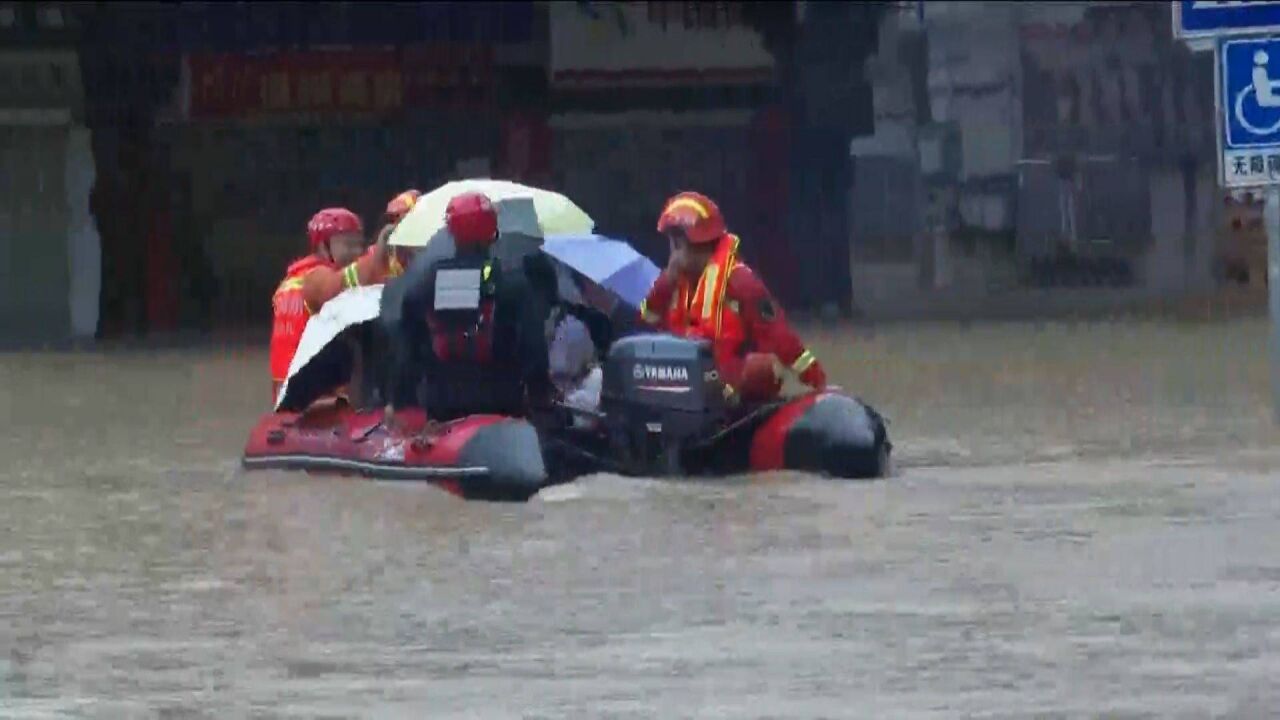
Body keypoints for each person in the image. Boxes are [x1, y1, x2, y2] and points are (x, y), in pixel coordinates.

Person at [639, 191, 828, 404]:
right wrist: (665, 285)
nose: (673, 254)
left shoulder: (740, 282)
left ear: (700, 245)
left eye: (678, 245)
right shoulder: (672, 283)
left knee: (760, 368)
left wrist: (819, 383)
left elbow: (781, 337)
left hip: (731, 397)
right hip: (684, 390)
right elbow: (646, 326)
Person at [382, 191, 552, 420]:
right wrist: (540, 395)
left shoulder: (423, 284)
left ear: (451, 231)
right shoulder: (512, 284)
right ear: (493, 232)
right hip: (502, 409)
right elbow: (533, 347)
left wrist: (399, 401)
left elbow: (407, 351)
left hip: (441, 412)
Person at [269, 207, 394, 406]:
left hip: (286, 393)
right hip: (317, 397)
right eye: (348, 244)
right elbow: (342, 283)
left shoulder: (289, 282)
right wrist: (378, 257)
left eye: (358, 244)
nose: (356, 252)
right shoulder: (316, 279)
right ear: (322, 245)